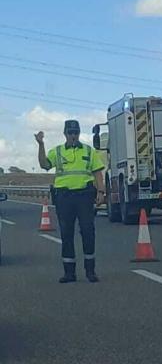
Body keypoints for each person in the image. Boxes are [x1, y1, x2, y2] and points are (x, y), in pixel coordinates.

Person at [35, 120, 106, 283]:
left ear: (79, 133)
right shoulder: (57, 151)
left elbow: (97, 173)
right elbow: (44, 164)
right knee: (66, 233)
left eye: (76, 133)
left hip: (84, 196)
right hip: (64, 197)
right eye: (70, 133)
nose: (73, 136)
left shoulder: (88, 151)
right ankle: (69, 273)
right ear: (65, 134)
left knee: (88, 231)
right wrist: (41, 145)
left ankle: (90, 271)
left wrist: (101, 191)